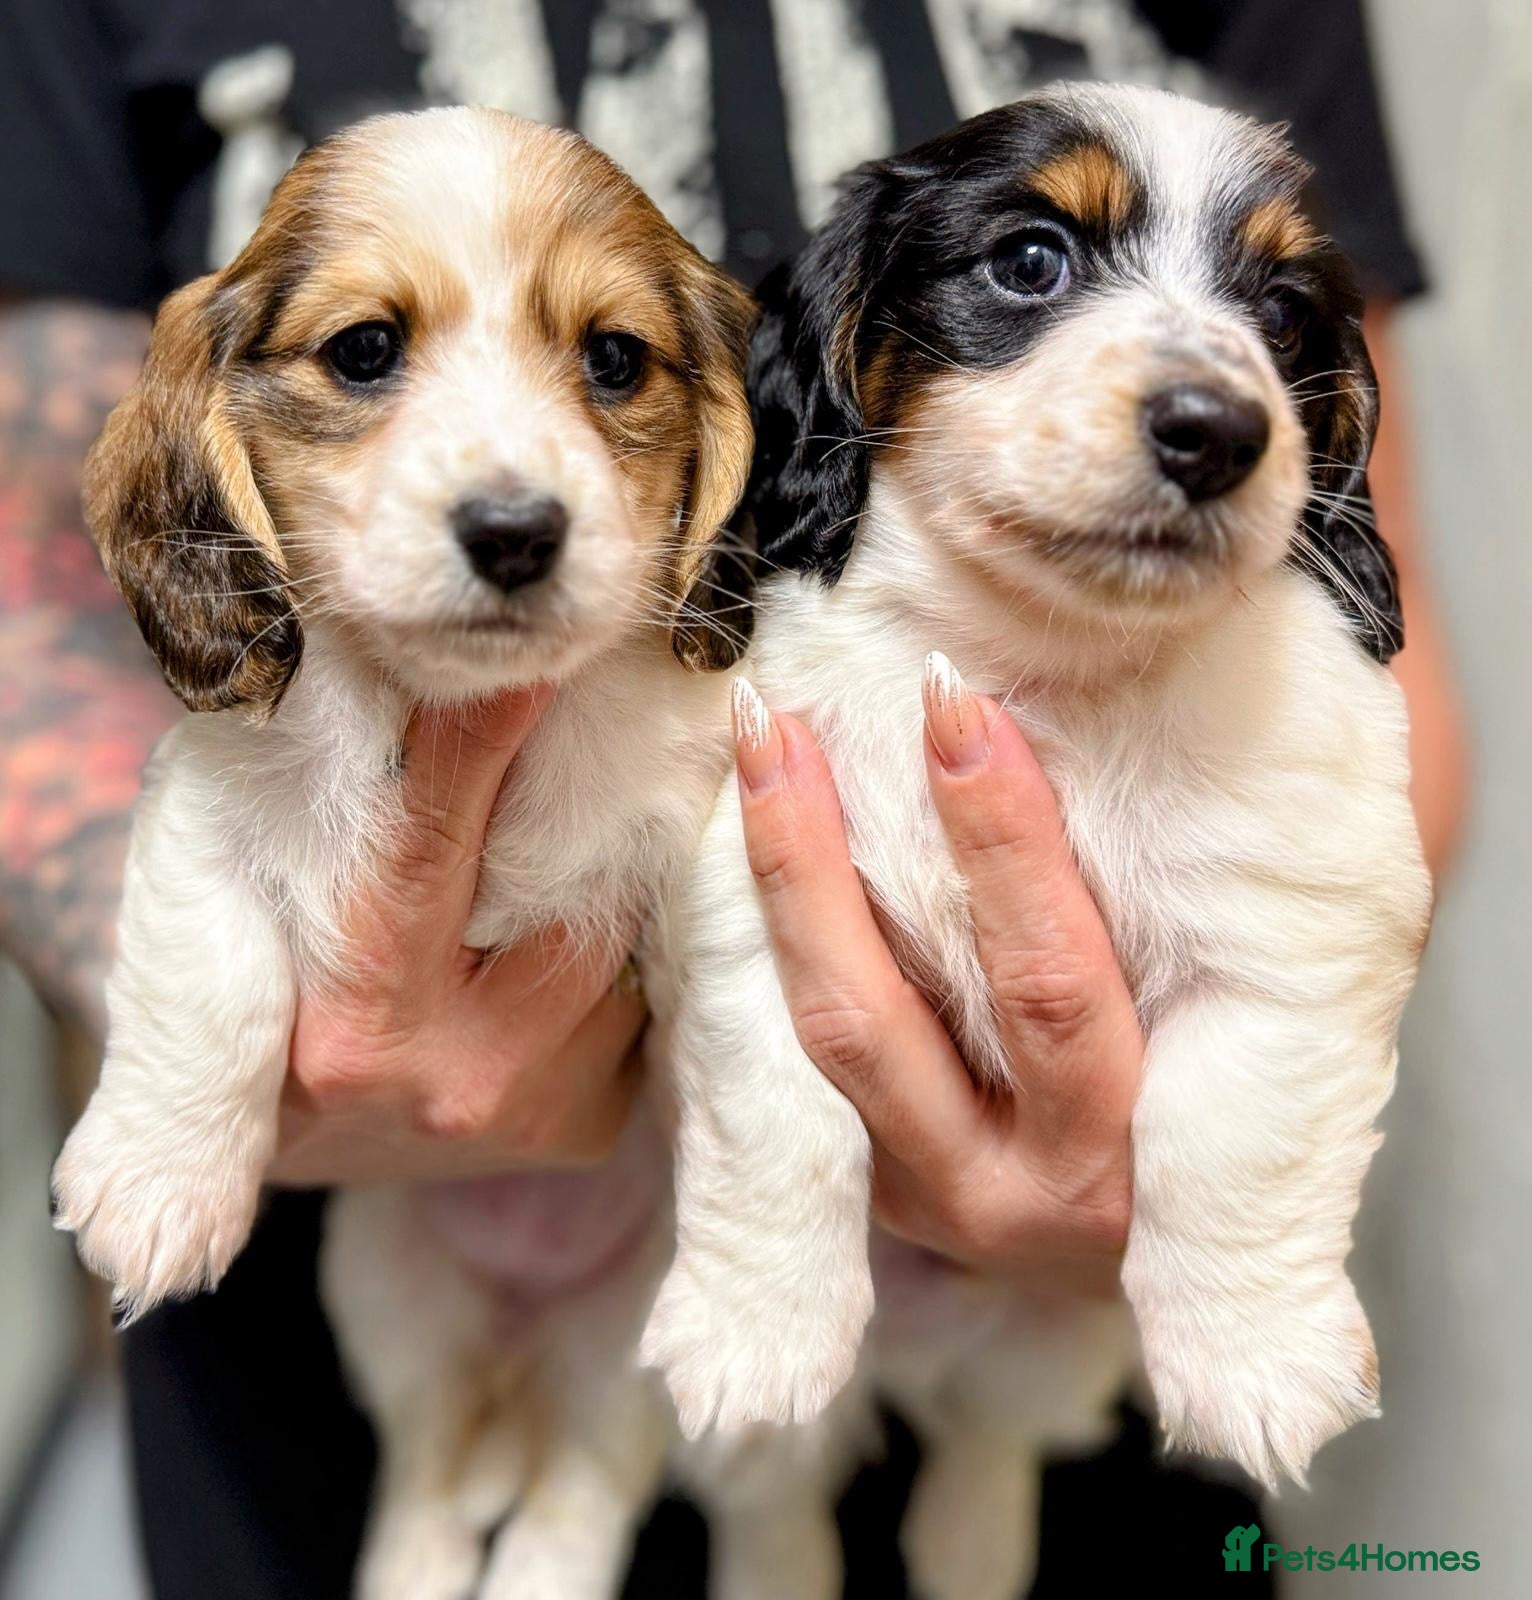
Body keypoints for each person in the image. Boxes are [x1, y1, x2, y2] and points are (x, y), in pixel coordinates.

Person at [0, 2, 1466, 1594]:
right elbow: (52, 607)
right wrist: (214, 1064)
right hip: (306, 1372)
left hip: (1104, 1369)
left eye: (615, 363)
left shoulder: (714, 679)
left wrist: (1213, 1184)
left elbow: (1375, 702)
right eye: (367, 351)